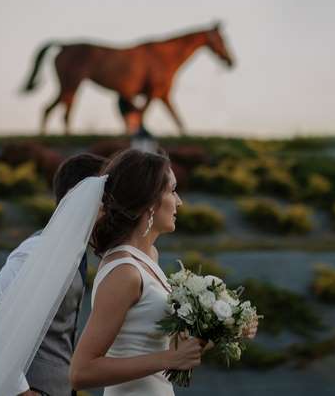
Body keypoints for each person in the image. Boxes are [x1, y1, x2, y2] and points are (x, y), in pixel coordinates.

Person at [69, 148, 258, 394]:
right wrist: (168, 359)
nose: (179, 201)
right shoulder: (124, 271)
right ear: (149, 202)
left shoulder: (148, 258)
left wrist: (229, 326)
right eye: (172, 190)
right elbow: (81, 372)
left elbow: (169, 348)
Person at [0, 152, 106, 396]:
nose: (111, 209)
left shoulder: (76, 252)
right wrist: (21, 389)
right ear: (84, 199)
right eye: (106, 199)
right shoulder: (40, 248)